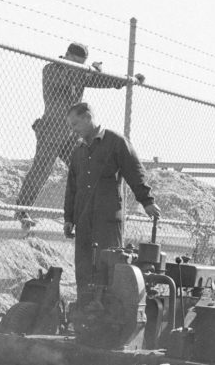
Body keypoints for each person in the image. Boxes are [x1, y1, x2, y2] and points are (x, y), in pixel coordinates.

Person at [15, 42, 145, 228]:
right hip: (51, 130)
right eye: (75, 61)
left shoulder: (82, 74)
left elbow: (102, 81)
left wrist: (127, 80)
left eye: (81, 63)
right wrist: (90, 70)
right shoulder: (52, 69)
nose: (77, 65)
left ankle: (86, 212)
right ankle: (21, 210)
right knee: (41, 171)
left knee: (86, 169)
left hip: (71, 133)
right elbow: (70, 77)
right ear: (66, 55)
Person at [63, 101, 161, 305]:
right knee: (84, 270)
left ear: (88, 118)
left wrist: (147, 200)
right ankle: (84, 318)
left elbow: (135, 171)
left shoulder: (116, 142)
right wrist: (69, 218)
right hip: (83, 221)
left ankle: (109, 323)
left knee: (108, 268)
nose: (73, 131)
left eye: (75, 125)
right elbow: (72, 187)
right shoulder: (78, 151)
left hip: (107, 221)